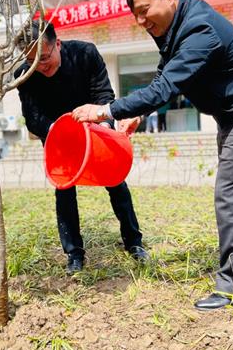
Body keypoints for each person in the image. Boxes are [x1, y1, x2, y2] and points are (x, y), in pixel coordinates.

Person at [72, 0, 233, 310]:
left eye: (145, 10)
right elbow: (167, 74)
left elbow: (166, 87)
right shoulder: (174, 27)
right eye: (135, 15)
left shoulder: (199, 28)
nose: (141, 21)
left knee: (231, 193)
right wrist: (137, 114)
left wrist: (105, 110)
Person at [14, 21, 148, 274]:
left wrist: (103, 126)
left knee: (115, 180)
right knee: (64, 188)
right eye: (32, 61)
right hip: (57, 134)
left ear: (57, 44)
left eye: (44, 58)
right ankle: (74, 253)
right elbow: (32, 117)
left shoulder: (85, 54)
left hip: (94, 127)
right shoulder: (25, 75)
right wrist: (58, 131)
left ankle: (134, 242)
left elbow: (103, 95)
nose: (40, 66)